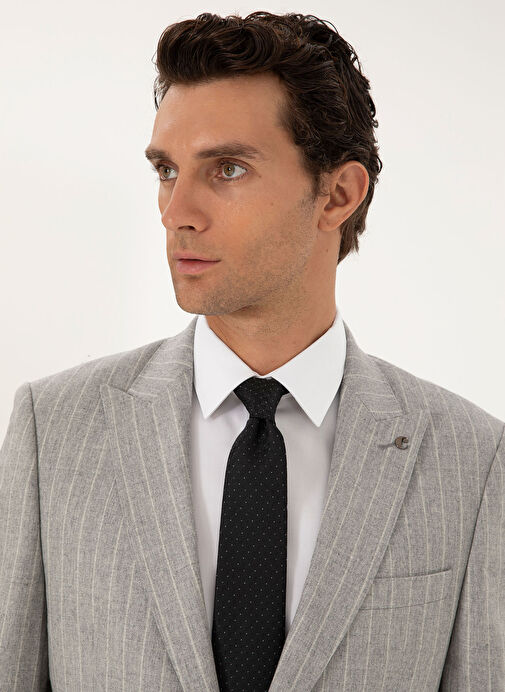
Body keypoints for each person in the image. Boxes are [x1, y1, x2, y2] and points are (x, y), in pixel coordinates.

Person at [0, 10, 503, 692]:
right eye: (166, 170)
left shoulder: (470, 460)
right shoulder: (54, 430)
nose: (176, 211)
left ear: (337, 195)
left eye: (227, 169)